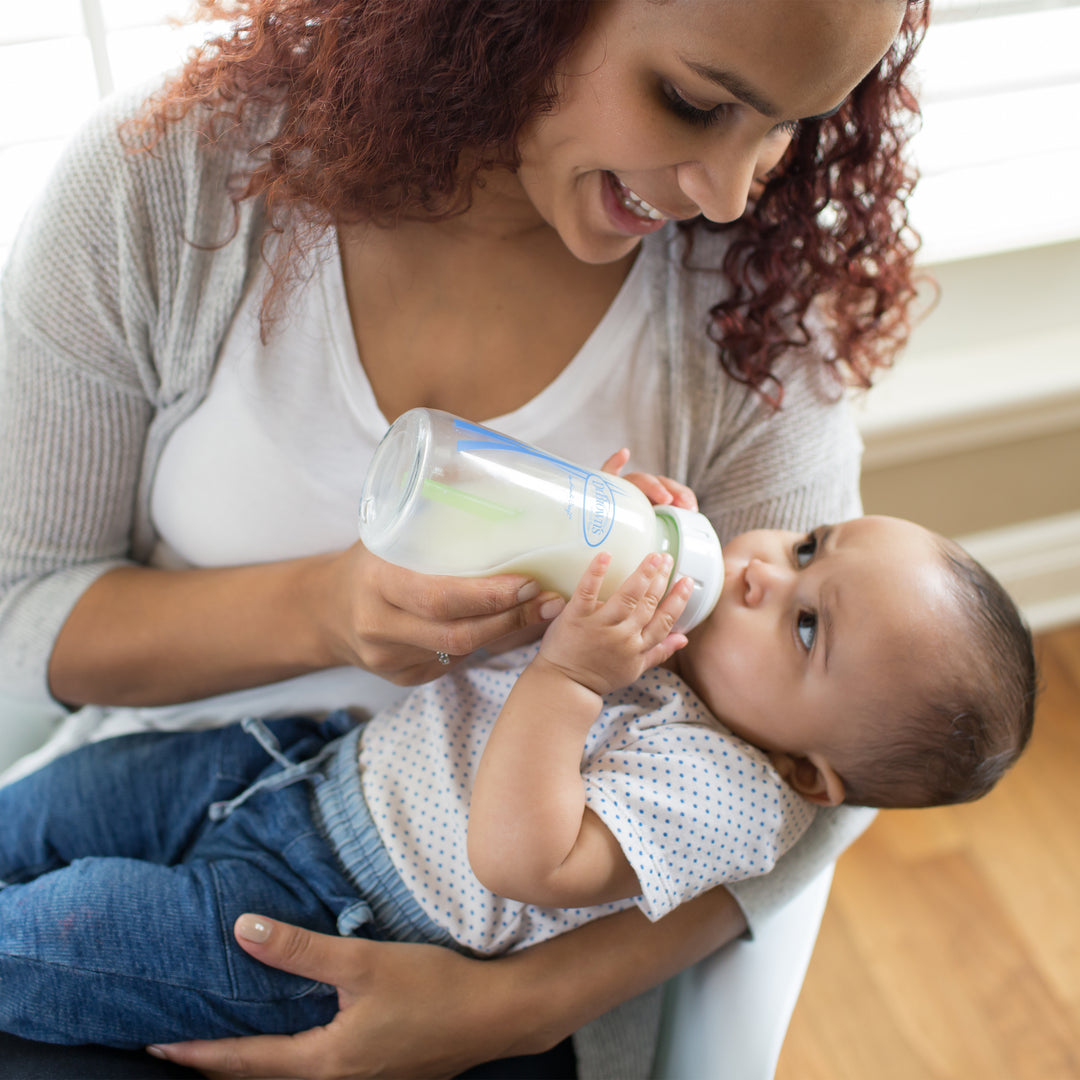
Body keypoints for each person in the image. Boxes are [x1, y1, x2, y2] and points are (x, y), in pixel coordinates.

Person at [0, 0, 932, 1076]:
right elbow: (24, 611)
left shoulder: (755, 318)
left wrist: (521, 1008)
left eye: (786, 128)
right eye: (694, 101)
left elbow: (839, 760)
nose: (727, 193)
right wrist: (326, 611)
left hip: (448, 947)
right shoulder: (171, 186)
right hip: (176, 780)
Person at [0, 507, 1036, 1048]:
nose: (764, 571)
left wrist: (576, 671)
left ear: (810, 771)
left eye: (806, 625)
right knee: (46, 809)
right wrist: (620, 527)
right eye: (810, 545)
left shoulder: (733, 798)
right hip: (290, 763)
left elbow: (520, 854)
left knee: (65, 935)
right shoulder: (681, 631)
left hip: (329, 913)